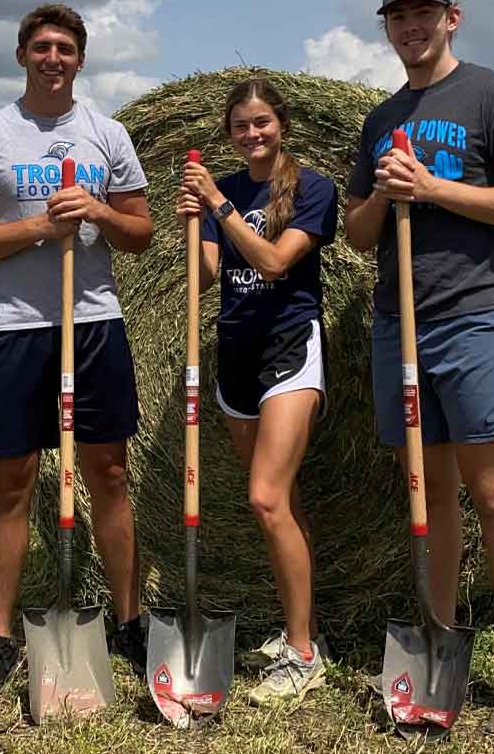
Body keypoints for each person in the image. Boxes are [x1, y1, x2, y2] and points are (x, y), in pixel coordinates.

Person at [343, 0, 494, 738]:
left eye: (424, 13)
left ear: (452, 19)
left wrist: (435, 191)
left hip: (477, 317)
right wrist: (384, 194)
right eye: (398, 16)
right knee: (429, 495)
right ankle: (435, 644)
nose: (411, 26)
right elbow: (358, 234)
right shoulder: (378, 119)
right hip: (396, 326)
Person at [0, 3, 154, 698]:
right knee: (13, 485)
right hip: (16, 328)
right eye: (41, 46)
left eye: (65, 47)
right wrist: (39, 224)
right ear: (22, 56)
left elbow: (141, 233)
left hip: (92, 323)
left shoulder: (107, 134)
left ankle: (127, 620)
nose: (53, 57)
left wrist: (96, 212)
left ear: (80, 59)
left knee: (111, 476)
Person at [176, 77, 338, 705]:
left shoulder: (312, 188)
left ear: (282, 124)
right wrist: (192, 229)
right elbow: (211, 274)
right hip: (235, 356)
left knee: (266, 500)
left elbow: (274, 263)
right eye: (241, 125)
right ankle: (305, 632)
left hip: (289, 350)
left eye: (263, 122)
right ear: (230, 132)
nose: (253, 134)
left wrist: (215, 205)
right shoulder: (231, 189)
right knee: (283, 506)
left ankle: (302, 655)